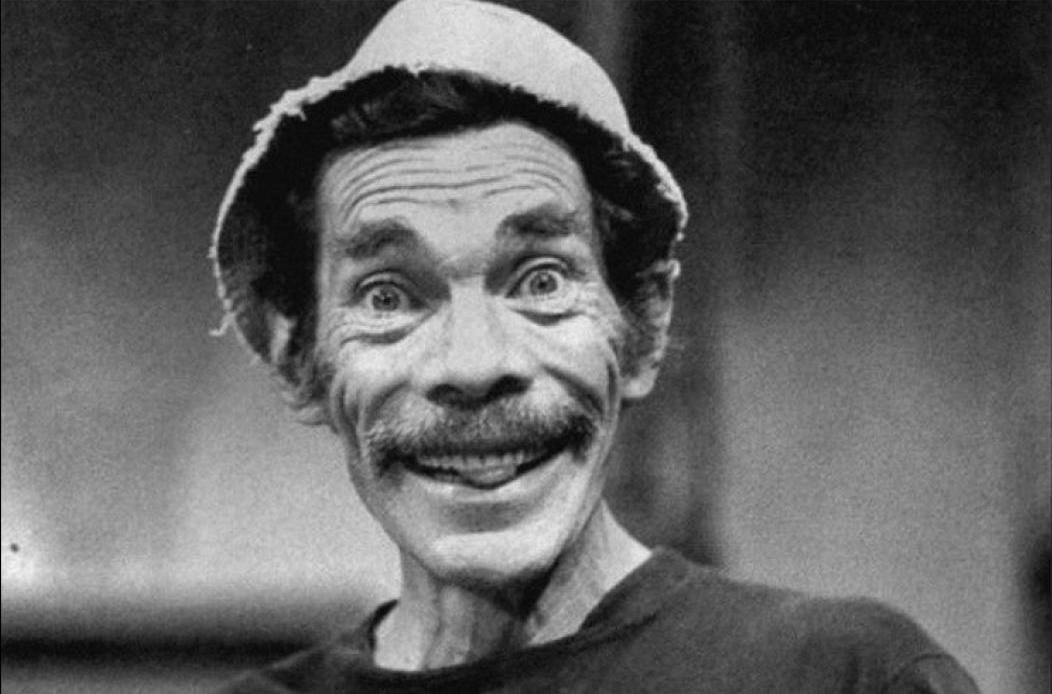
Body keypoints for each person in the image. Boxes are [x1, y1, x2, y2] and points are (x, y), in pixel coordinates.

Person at [211, 1, 979, 691]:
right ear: (298, 358)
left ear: (642, 329)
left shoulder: (844, 677)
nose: (475, 366)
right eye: (388, 297)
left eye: (541, 281)